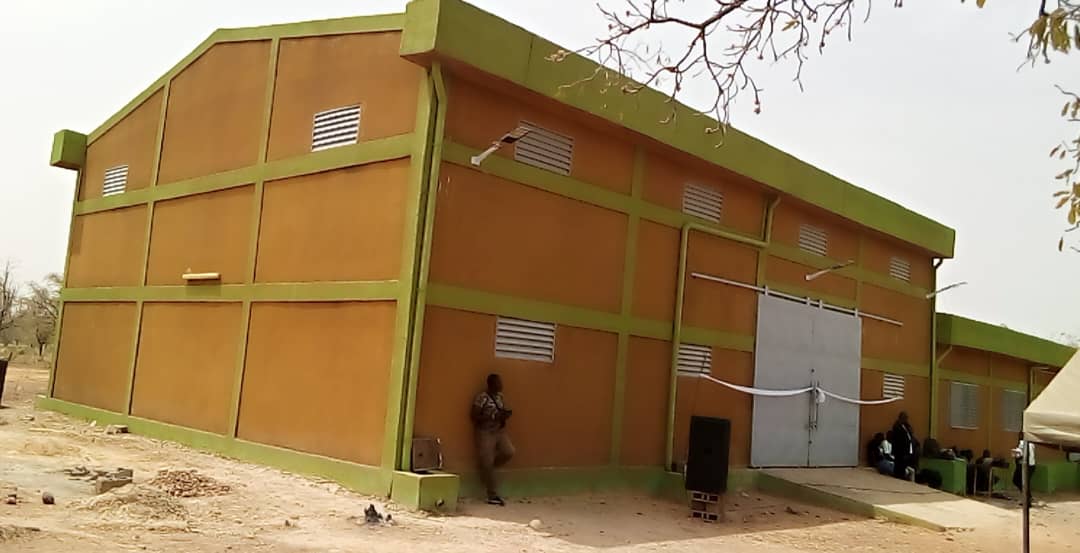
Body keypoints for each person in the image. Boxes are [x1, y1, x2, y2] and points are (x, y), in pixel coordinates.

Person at [471, 373, 515, 506]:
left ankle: (487, 469)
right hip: (485, 432)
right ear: (491, 384)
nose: (501, 385)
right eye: (498, 382)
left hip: (499, 431)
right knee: (487, 462)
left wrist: (504, 415)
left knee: (509, 452)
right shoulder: (482, 398)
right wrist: (492, 417)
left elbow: (500, 410)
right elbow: (474, 416)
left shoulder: (500, 397)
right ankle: (492, 495)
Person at [891, 412, 918, 481]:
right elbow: (898, 439)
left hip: (907, 450)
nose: (906, 419)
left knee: (904, 466)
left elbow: (911, 432)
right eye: (905, 418)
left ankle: (902, 477)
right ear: (901, 417)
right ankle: (898, 477)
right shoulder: (897, 425)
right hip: (900, 450)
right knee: (899, 465)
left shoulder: (906, 426)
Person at [1012, 432, 1036, 497]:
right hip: (1026, 465)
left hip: (1027, 466)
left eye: (1020, 435)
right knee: (1018, 480)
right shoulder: (1029, 444)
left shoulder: (1024, 443)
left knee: (1022, 482)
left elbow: (1022, 454)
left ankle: (1027, 497)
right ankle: (1026, 496)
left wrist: (1016, 453)